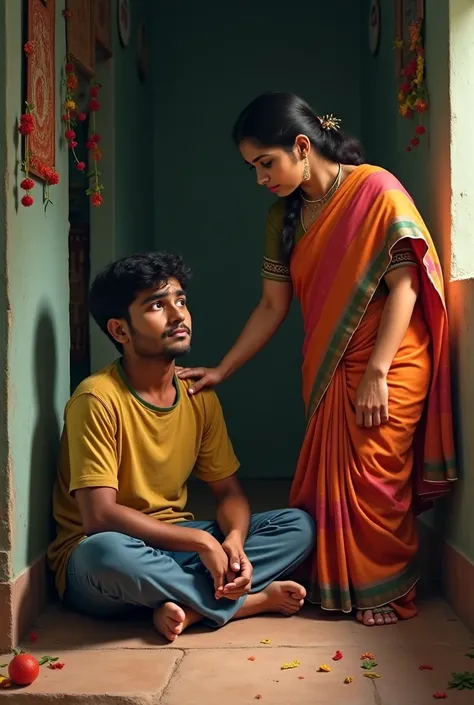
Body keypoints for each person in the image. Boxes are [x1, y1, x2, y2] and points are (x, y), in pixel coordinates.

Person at [177, 92, 457, 627]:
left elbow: (406, 288)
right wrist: (222, 369)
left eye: (267, 163)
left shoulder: (376, 189)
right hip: (330, 367)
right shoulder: (282, 215)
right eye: (252, 168)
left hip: (391, 359)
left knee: (376, 478)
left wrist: (375, 371)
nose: (261, 178)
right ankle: (337, 586)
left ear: (302, 146)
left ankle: (384, 589)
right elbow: (271, 305)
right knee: (329, 487)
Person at [47, 252, 315, 642]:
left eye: (181, 301)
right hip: (103, 558)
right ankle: (245, 604)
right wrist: (202, 541)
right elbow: (99, 517)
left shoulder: (198, 397)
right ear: (120, 331)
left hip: (173, 545)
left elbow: (230, 493)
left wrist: (233, 542)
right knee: (104, 553)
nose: (178, 315)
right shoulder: (97, 398)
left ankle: (186, 606)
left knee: (298, 526)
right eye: (157, 305)